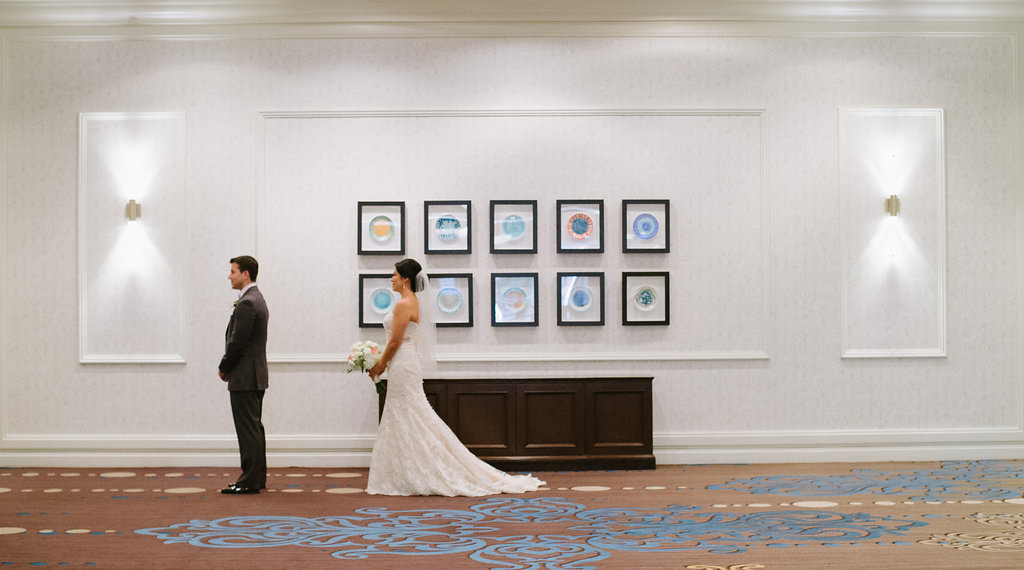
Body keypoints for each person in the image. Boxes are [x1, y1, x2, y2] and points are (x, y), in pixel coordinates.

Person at [365, 258, 545, 496]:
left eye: (395, 275)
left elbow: (396, 341)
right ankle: (409, 471)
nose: (391, 278)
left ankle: (424, 469)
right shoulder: (413, 302)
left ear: (405, 279)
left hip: (402, 363)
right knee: (410, 415)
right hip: (406, 363)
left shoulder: (403, 304)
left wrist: (379, 365)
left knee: (410, 414)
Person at [218, 255, 270, 495]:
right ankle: (255, 477)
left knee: (248, 429)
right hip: (255, 374)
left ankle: (249, 480)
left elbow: (238, 342)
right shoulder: (256, 298)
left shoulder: (248, 302)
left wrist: (224, 366)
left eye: (233, 271)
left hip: (245, 376)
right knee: (254, 428)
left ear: (245, 274)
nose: (229, 276)